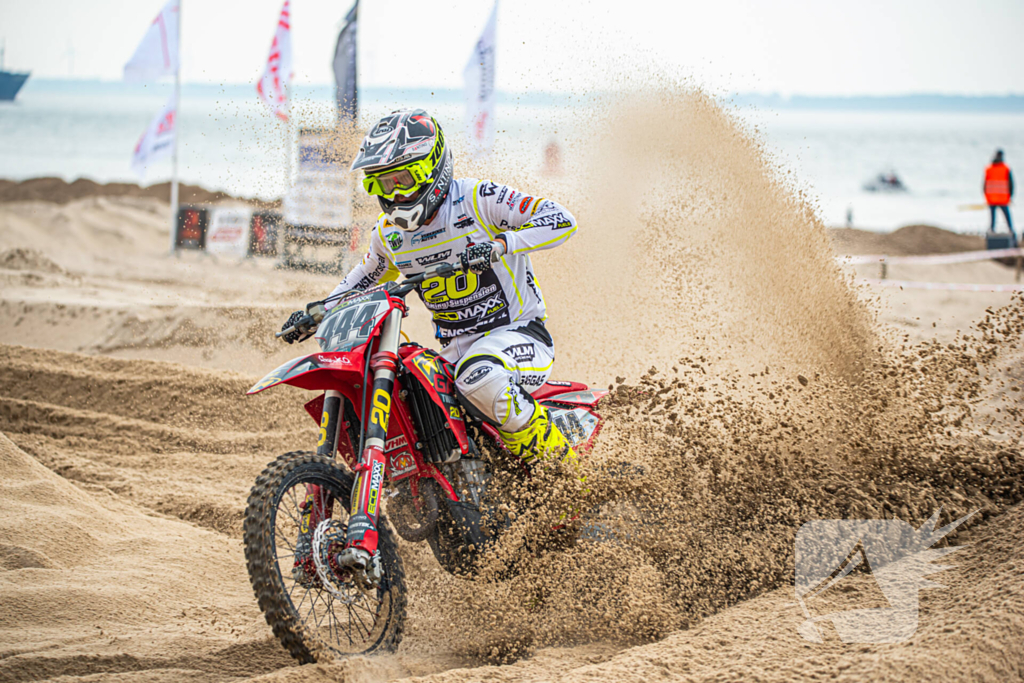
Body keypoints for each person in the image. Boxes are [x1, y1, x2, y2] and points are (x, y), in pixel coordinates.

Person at [281, 109, 580, 568]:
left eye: (403, 178)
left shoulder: (478, 199)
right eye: (382, 184)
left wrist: (501, 244)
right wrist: (316, 311)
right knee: (412, 380)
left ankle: (564, 475)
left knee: (479, 376)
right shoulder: (390, 236)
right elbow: (360, 280)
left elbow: (560, 219)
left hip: (517, 335)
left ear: (434, 168)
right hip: (457, 354)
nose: (395, 193)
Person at [984, 149, 1015, 244]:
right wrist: (1010, 197)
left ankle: (991, 233)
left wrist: (986, 196)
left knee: (992, 221)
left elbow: (984, 185)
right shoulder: (1006, 168)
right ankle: (1012, 234)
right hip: (1003, 199)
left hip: (992, 198)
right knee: (1007, 219)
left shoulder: (989, 168)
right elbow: (1011, 184)